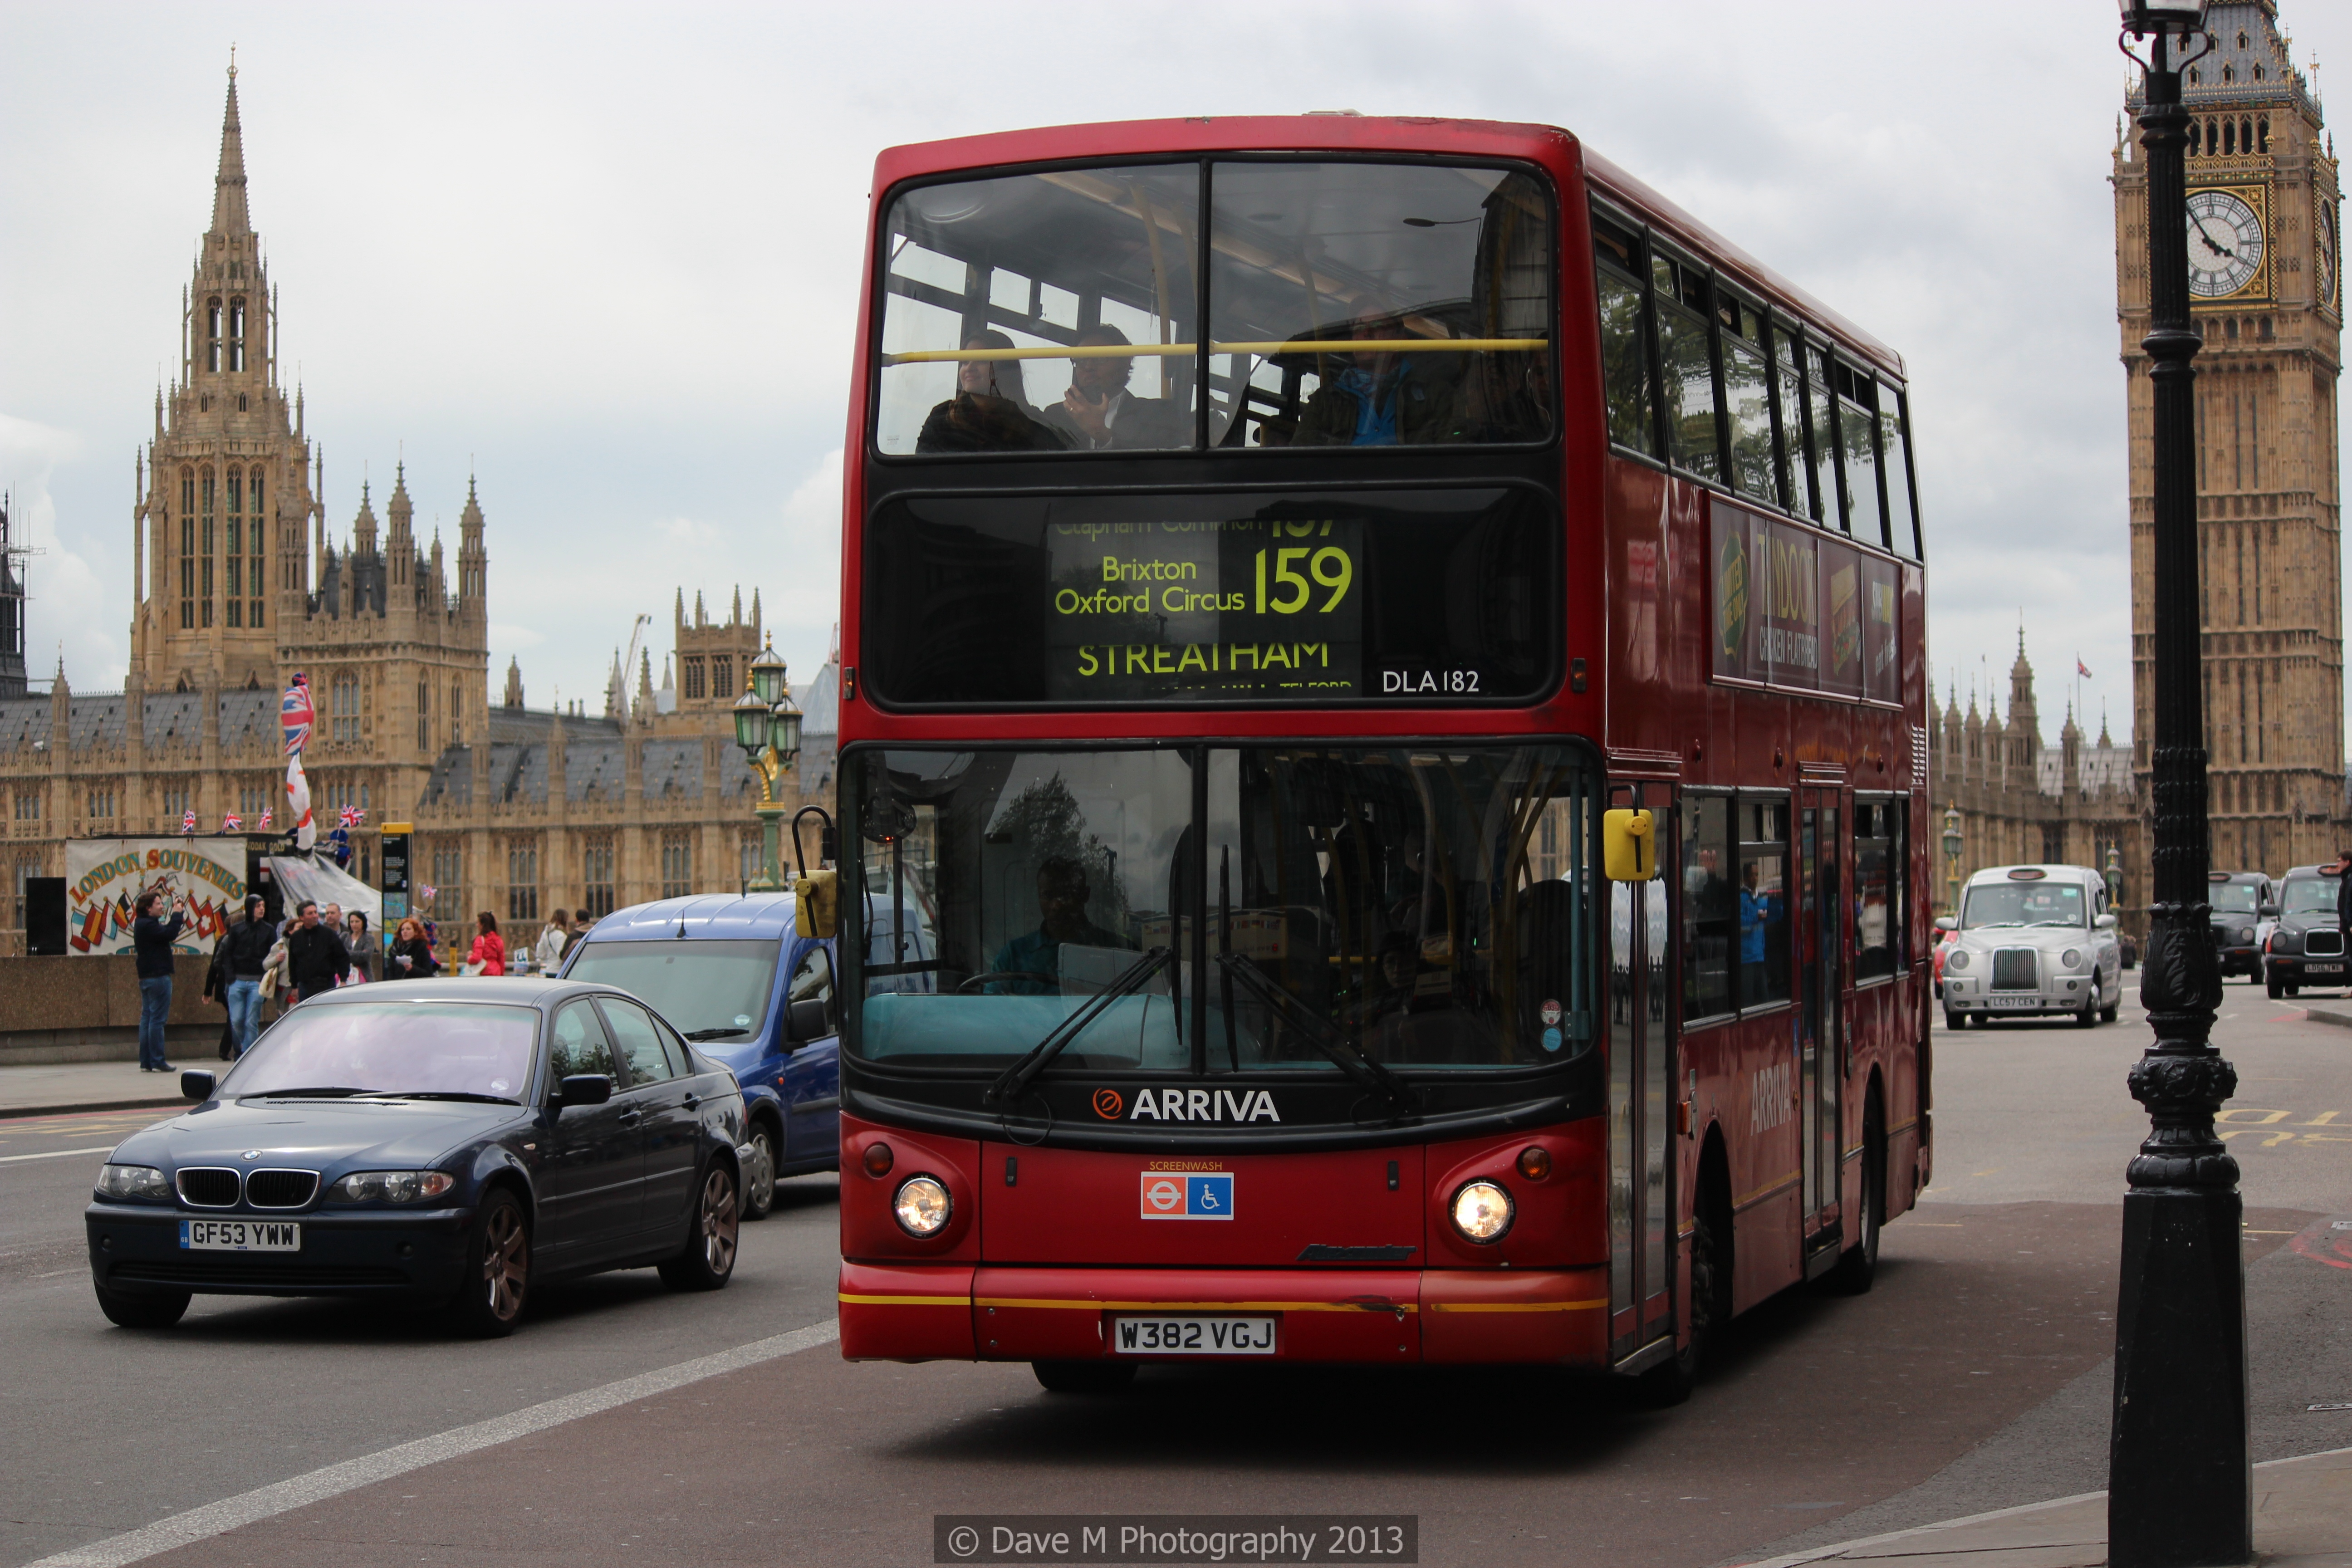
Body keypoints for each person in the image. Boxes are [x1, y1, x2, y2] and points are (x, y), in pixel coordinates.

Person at [1292, 311, 1463, 447]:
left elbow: (1455, 449)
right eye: (1359, 328)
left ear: (1399, 339)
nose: (1366, 333)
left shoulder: (1433, 394)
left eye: (1377, 326)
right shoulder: (1326, 402)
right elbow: (1302, 459)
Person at [1035, 324, 1192, 450]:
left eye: (1100, 359)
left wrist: (1101, 434)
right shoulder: (1056, 416)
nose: (1088, 366)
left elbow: (1162, 468)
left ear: (1125, 364)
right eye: (1081, 360)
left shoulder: (1158, 413)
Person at [985, 859, 1126, 995]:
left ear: (1085, 895)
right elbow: (994, 1014)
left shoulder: (1118, 952)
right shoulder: (1012, 958)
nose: (1056, 906)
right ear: (1039, 897)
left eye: (1066, 895)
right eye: (1047, 896)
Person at [916, 331, 1067, 453]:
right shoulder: (943, 416)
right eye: (965, 362)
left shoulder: (1032, 423)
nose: (969, 368)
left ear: (1005, 369)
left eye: (981, 360)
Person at [131, 887, 186, 1073]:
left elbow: (165, 932)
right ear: (148, 908)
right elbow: (170, 934)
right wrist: (177, 915)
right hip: (158, 976)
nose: (163, 907)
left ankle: (146, 1060)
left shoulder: (143, 923)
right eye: (159, 904)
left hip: (147, 976)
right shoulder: (148, 925)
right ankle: (157, 1059)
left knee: (147, 1018)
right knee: (157, 1020)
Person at [218, 894, 276, 1056]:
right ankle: (246, 1047)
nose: (262, 909)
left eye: (263, 905)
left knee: (251, 1021)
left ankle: (247, 1054)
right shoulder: (237, 929)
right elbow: (227, 955)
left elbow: (272, 956)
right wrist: (230, 978)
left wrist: (264, 979)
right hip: (237, 980)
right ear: (250, 908)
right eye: (258, 906)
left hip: (257, 982)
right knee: (236, 1020)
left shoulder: (269, 930)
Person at [283, 899, 350, 1002]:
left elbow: (342, 957)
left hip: (326, 984)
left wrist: (343, 979)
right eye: (310, 913)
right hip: (305, 985)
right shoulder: (296, 937)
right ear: (302, 918)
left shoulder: (329, 934)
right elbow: (293, 962)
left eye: (316, 912)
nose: (315, 916)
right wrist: (294, 985)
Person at [387, 916, 439, 980]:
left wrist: (413, 968)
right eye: (403, 930)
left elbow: (428, 973)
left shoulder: (422, 949)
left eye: (408, 929)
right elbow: (391, 972)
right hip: (397, 986)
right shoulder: (395, 949)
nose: (405, 932)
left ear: (416, 932)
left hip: (414, 986)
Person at [468, 911, 507, 976]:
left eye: (478, 923)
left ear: (483, 925)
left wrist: (469, 957)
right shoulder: (498, 939)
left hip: (483, 972)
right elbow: (502, 960)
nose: (477, 925)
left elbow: (476, 959)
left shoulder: (480, 939)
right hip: (496, 972)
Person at [341, 910, 374, 984]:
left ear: (363, 922)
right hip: (346, 975)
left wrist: (346, 953)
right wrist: (359, 954)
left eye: (357, 921)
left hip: (363, 975)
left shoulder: (369, 938)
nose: (354, 924)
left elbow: (366, 956)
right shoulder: (344, 936)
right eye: (352, 922)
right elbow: (338, 954)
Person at [535, 910, 571, 974]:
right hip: (559, 971)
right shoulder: (561, 935)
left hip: (548, 970)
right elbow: (562, 955)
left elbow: (540, 954)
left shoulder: (545, 933)